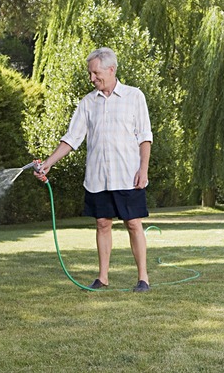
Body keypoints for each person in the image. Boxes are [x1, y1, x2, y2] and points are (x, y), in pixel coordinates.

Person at [36, 47, 153, 292]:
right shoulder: (88, 103)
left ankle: (143, 279)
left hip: (128, 175)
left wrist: (144, 169)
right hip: (98, 177)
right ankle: (103, 278)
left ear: (111, 70)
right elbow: (72, 138)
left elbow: (145, 137)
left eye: (95, 73)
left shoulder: (134, 96)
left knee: (133, 223)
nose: (92, 78)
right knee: (102, 223)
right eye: (90, 73)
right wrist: (49, 162)